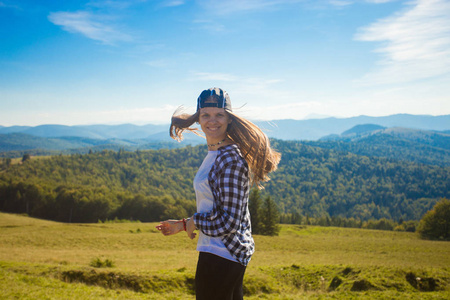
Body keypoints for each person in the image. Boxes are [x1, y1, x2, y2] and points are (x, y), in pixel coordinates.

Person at [156, 87, 281, 300]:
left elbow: (229, 221)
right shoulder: (215, 153)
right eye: (205, 115)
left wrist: (190, 223)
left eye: (219, 115)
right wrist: (184, 224)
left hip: (222, 254)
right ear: (198, 119)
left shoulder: (230, 160)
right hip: (221, 253)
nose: (212, 121)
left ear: (229, 119)